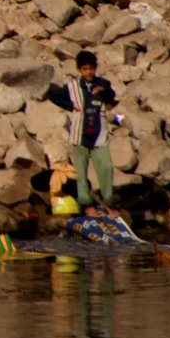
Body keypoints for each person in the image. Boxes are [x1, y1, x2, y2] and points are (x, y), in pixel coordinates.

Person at [49, 50, 118, 218]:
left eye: (91, 69)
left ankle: (108, 202)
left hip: (99, 136)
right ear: (80, 70)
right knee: (81, 172)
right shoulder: (73, 87)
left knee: (106, 168)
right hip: (80, 135)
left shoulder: (103, 83)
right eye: (85, 69)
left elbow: (112, 95)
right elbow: (53, 95)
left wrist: (103, 91)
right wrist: (70, 106)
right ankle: (87, 205)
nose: (89, 72)